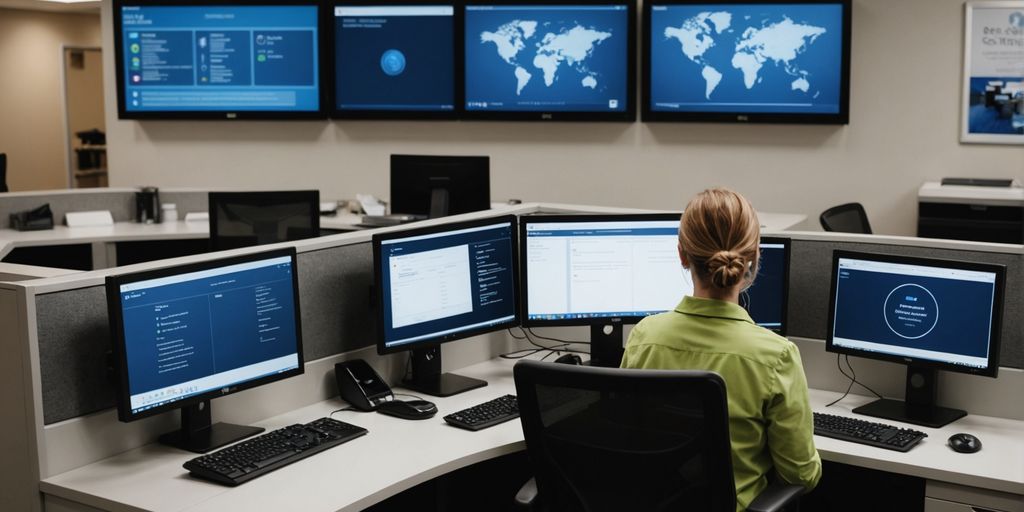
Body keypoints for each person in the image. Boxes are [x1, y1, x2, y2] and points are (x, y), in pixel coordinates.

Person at [620, 187, 821, 511]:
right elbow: (800, 474)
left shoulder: (644, 337)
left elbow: (628, 442)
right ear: (754, 257)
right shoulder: (776, 356)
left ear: (682, 255)